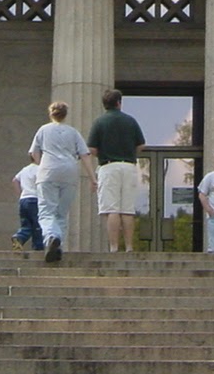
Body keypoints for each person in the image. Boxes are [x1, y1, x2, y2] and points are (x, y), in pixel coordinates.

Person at [29, 101, 96, 263]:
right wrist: (93, 178)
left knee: (46, 211)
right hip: (70, 172)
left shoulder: (43, 130)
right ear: (65, 114)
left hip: (48, 171)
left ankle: (52, 237)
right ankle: (58, 247)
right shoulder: (73, 132)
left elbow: (34, 152)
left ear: (51, 114)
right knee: (61, 212)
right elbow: (85, 155)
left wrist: (40, 166)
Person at [85, 88, 145, 253]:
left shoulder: (99, 122)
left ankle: (113, 247)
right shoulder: (130, 121)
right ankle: (129, 246)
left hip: (108, 166)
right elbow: (141, 145)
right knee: (127, 209)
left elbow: (92, 149)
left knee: (111, 209)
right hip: (128, 165)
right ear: (119, 102)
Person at [11, 160, 44, 252]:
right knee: (37, 224)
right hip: (35, 199)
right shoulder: (40, 169)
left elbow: (14, 180)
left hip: (24, 199)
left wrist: (20, 194)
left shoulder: (25, 169)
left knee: (26, 224)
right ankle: (38, 247)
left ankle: (19, 237)